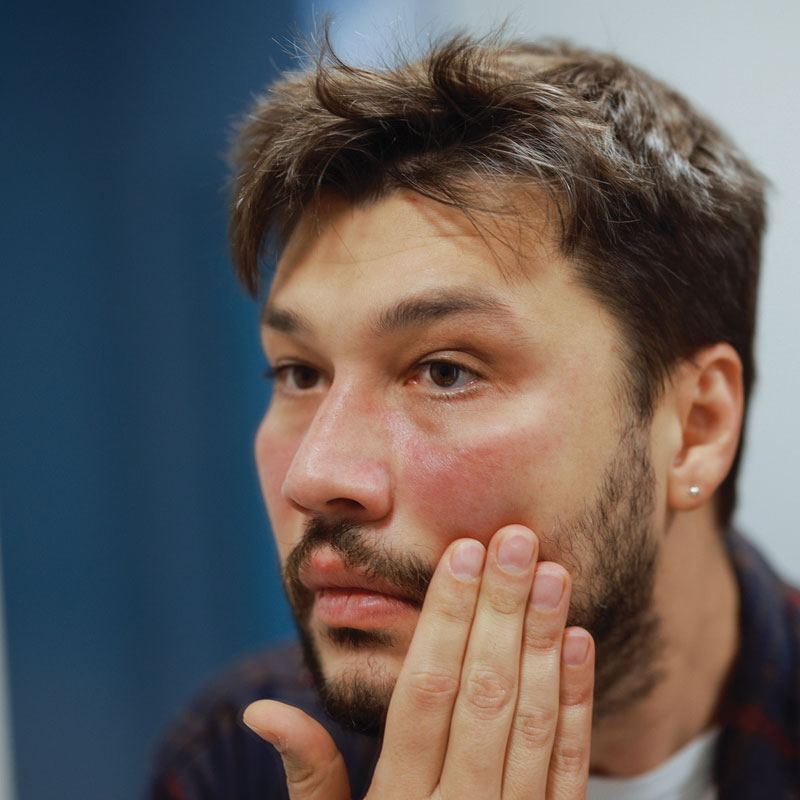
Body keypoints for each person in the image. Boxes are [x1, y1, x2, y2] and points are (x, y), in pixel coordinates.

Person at [148, 30, 800, 800]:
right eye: (300, 372)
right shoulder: (238, 756)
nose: (314, 475)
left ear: (695, 428)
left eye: (445, 371)